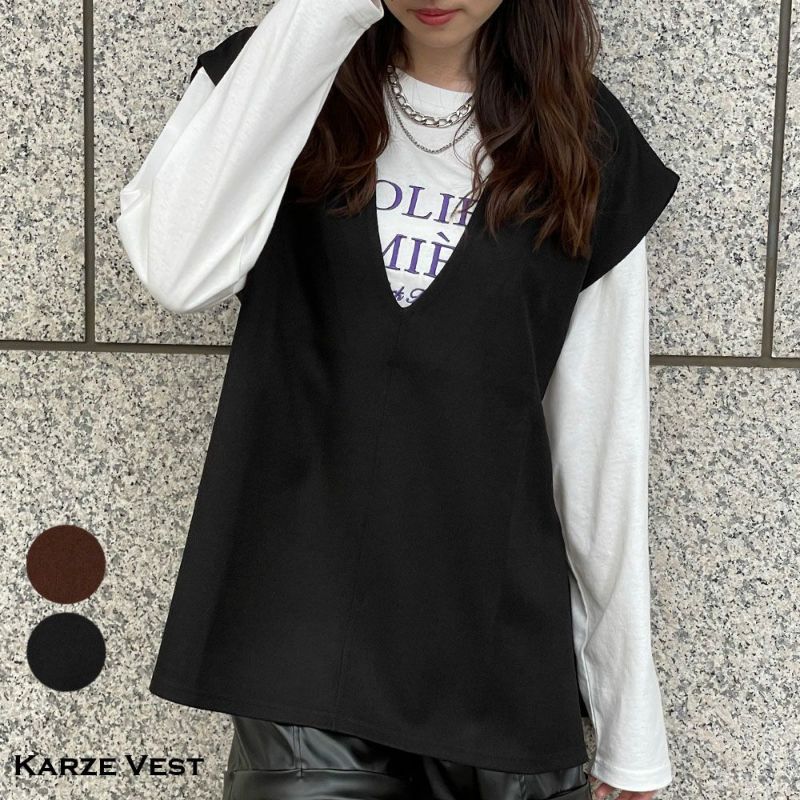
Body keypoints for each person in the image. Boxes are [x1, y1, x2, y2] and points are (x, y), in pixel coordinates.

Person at [115, 1, 680, 799]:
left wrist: (630, 724)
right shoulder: (276, 77)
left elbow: (600, 457)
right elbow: (176, 270)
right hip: (305, 680)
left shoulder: (586, 143)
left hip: (504, 687)